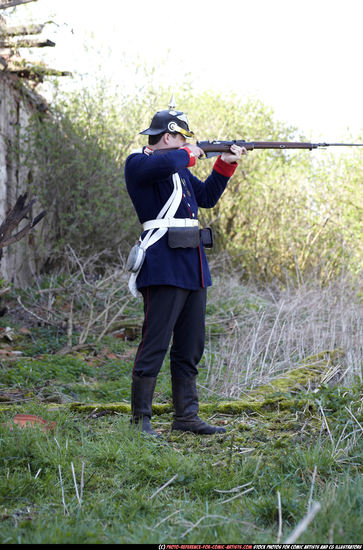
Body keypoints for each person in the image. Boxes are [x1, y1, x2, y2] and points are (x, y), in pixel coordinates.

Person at [124, 105, 246, 437]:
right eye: (180, 138)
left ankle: (186, 417)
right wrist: (191, 154)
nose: (184, 145)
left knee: (190, 345)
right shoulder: (139, 164)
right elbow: (169, 162)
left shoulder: (178, 168)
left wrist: (225, 164)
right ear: (168, 137)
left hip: (192, 264)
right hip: (162, 264)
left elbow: (205, 197)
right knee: (155, 343)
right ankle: (141, 421)